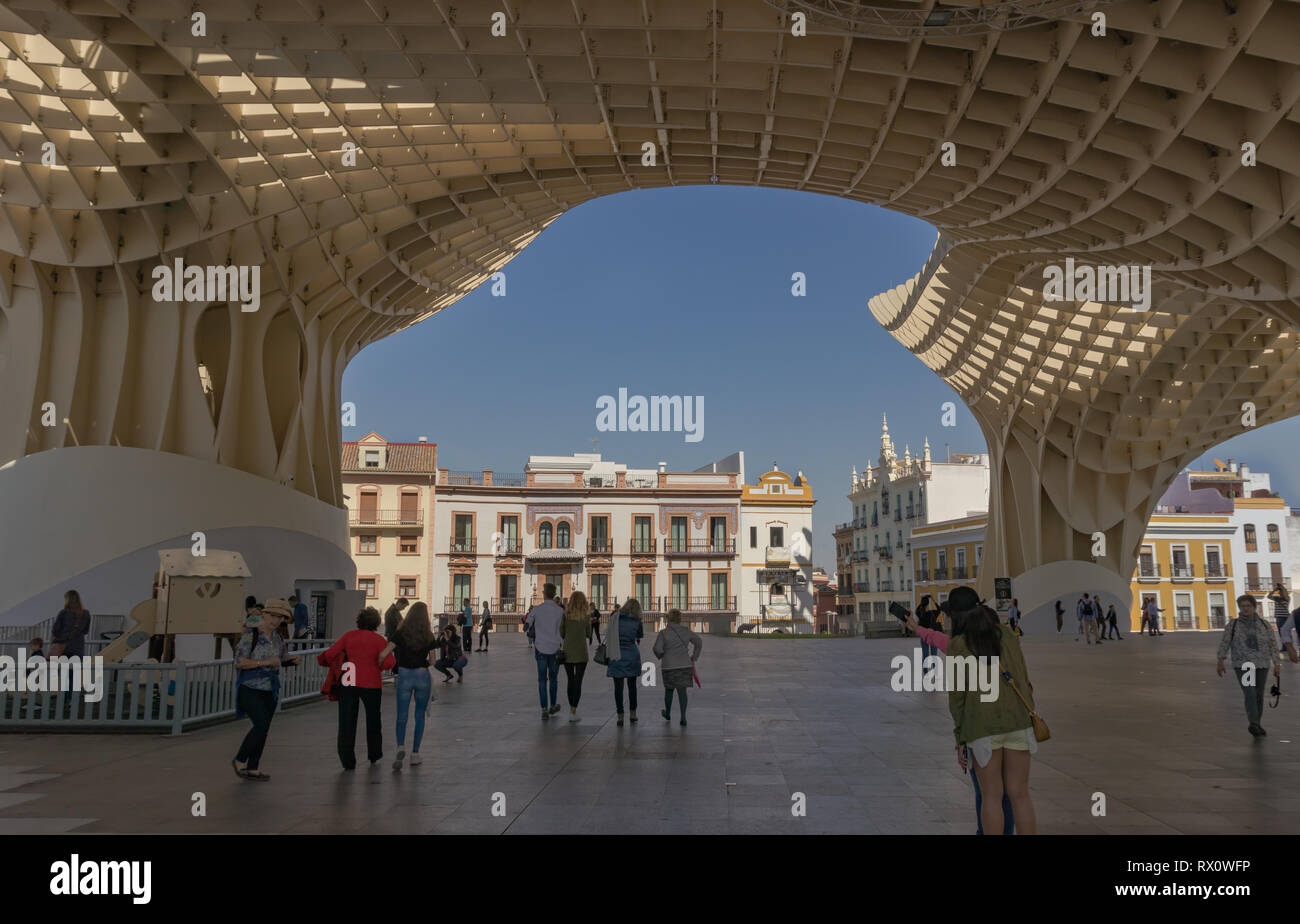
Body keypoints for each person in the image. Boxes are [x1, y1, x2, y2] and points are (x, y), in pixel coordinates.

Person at [905, 603, 1014, 835]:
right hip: (1013, 728)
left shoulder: (960, 647)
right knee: (1009, 793)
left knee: (986, 793)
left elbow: (959, 703)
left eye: (949, 616)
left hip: (981, 732)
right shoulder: (1006, 643)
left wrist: (960, 741)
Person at [945, 586, 1037, 835]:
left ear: (956, 616)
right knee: (1020, 795)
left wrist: (960, 736)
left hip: (982, 728)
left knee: (992, 797)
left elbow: (957, 697)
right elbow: (1024, 679)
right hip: (1018, 721)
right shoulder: (1007, 634)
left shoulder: (958, 645)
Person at [318, 607, 395, 769]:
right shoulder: (379, 640)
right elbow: (388, 663)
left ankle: (347, 761)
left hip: (349, 680)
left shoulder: (349, 636)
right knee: (373, 720)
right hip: (372, 683)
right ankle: (374, 754)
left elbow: (330, 654)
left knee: (346, 721)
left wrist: (324, 660)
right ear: (376, 623)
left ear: (359, 621)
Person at [232, 600, 299, 780]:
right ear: (264, 615)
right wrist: (265, 662)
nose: (276, 620)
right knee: (260, 724)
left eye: (280, 617)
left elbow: (281, 659)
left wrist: (291, 661)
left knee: (264, 728)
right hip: (250, 687)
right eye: (273, 616)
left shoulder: (277, 638)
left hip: (270, 689)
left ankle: (253, 767)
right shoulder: (251, 636)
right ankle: (240, 759)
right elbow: (240, 662)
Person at [379, 602, 438, 770]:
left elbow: (384, 653)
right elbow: (433, 661)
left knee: (402, 715)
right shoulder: (428, 635)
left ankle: (400, 746)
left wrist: (378, 664)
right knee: (419, 715)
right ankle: (415, 754)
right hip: (422, 675)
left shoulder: (401, 633)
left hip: (404, 675)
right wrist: (424, 661)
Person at [1216, 594, 1281, 737]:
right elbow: (1225, 642)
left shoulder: (1264, 624)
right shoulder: (1233, 625)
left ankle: (1257, 723)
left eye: (1248, 606)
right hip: (1244, 664)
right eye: (1242, 606)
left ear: (1254, 607)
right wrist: (1220, 660)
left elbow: (1272, 644)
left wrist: (1277, 663)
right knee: (1250, 693)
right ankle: (1253, 722)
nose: (1245, 609)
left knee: (1258, 694)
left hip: (1262, 663)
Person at [653, 609, 702, 726]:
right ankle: (683, 717)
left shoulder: (663, 633)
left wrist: (661, 656)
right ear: (679, 619)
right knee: (682, 692)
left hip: (669, 666)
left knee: (669, 691)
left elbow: (657, 649)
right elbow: (698, 641)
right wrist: (694, 656)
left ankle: (668, 713)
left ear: (668, 619)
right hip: (684, 665)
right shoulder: (685, 631)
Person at [524, 583, 564, 719]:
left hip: (540, 648)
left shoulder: (537, 609)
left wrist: (527, 627)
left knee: (542, 680)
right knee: (553, 679)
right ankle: (553, 705)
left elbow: (527, 622)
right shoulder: (560, 611)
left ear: (544, 593)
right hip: (555, 648)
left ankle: (544, 709)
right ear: (554, 594)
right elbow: (563, 630)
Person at [606, 598, 644, 726]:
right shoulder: (637, 620)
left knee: (618, 688)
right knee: (632, 686)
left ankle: (620, 715)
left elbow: (608, 634)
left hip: (616, 655)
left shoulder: (615, 618)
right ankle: (633, 713)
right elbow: (639, 635)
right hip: (632, 655)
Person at [560, 591, 592, 722]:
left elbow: (562, 632)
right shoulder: (585, 616)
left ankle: (571, 710)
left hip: (567, 651)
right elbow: (588, 633)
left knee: (570, 680)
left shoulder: (565, 615)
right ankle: (573, 710)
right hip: (581, 651)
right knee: (578, 681)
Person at [49, 590, 91, 657]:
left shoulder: (63, 613)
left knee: (61, 667)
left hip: (62, 648)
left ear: (67, 600)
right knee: (76, 667)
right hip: (78, 649)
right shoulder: (86, 614)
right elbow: (85, 631)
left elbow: (55, 631)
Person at [916, 595, 939, 665]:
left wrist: (922, 600)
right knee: (934, 655)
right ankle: (935, 673)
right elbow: (939, 609)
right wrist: (933, 599)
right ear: (928, 604)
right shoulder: (932, 613)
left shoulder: (920, 614)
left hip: (924, 635)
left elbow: (917, 610)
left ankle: (926, 673)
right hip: (933, 635)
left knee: (925, 655)